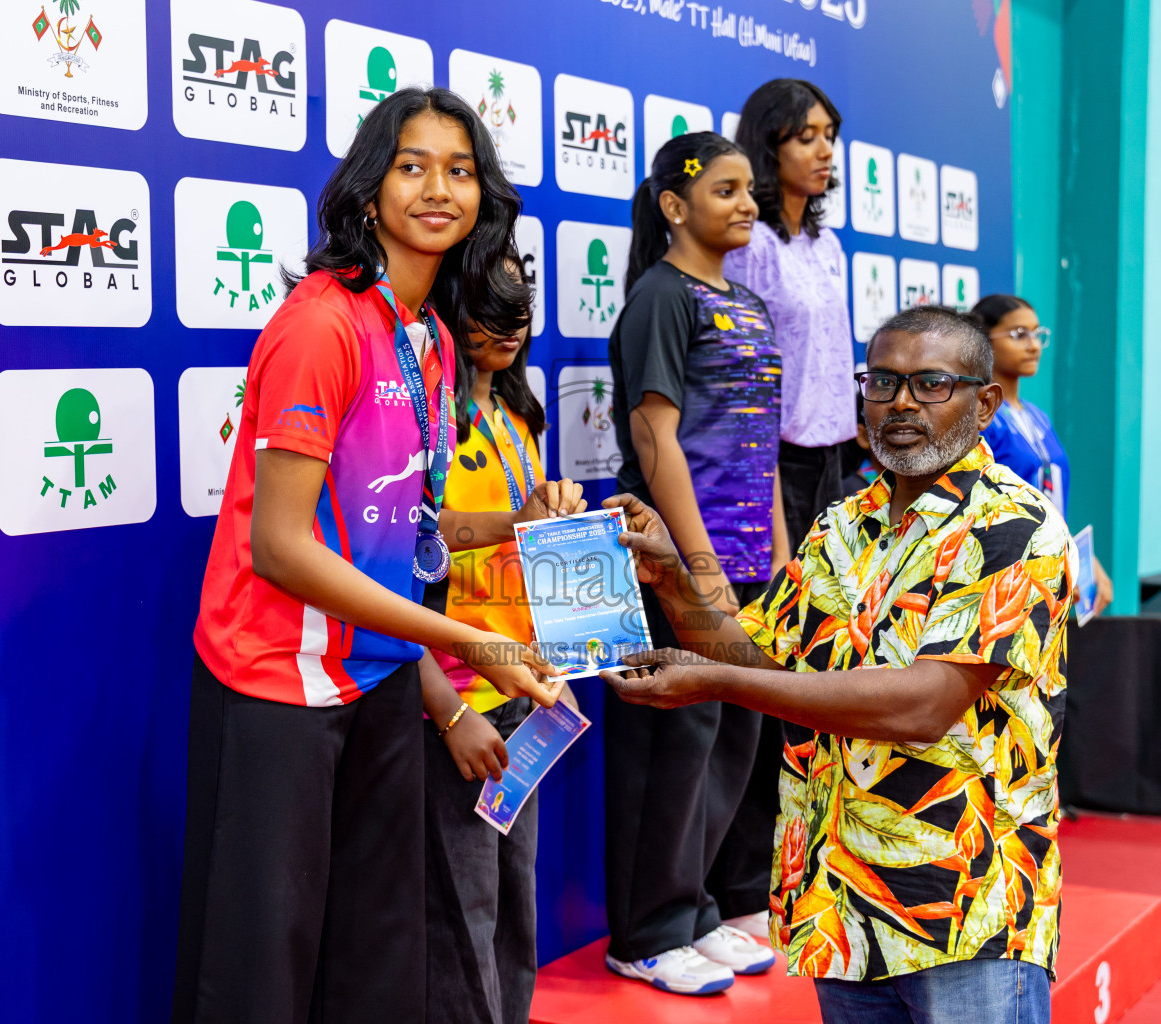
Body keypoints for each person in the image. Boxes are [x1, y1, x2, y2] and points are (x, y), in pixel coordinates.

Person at [174, 87, 564, 1024]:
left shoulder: (427, 336)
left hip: (379, 684)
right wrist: (471, 649)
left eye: (461, 170)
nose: (439, 188)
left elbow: (402, 538)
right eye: (413, 165)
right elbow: (282, 547)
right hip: (275, 688)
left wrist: (519, 527)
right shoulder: (322, 324)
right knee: (260, 974)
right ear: (369, 188)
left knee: (376, 965)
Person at [603, 306, 1073, 1024]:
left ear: (984, 404)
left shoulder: (1017, 525)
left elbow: (921, 705)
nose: (902, 402)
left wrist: (719, 683)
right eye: (882, 381)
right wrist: (673, 581)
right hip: (842, 907)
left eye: (930, 383)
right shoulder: (843, 523)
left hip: (965, 914)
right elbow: (759, 647)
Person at [602, 130, 785, 995]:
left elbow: (762, 446)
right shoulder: (660, 298)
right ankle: (646, 932)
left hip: (749, 561)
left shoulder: (746, 301)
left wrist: (779, 556)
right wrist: (696, 564)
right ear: (675, 206)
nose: (747, 203)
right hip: (673, 564)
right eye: (725, 189)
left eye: (749, 188)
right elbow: (653, 436)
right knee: (670, 745)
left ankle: (698, 910)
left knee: (728, 738)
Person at [420, 255, 584, 1024]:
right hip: (456, 695)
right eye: (492, 304)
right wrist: (517, 522)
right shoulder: (428, 415)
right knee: (464, 910)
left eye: (521, 304)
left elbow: (531, 549)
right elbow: (420, 534)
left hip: (527, 691)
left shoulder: (520, 413)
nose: (513, 323)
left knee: (516, 902)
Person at [719, 80, 854, 933]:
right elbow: (748, 383)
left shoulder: (828, 244)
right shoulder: (754, 247)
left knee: (819, 677)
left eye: (831, 135)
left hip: (836, 466)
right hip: (773, 473)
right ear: (768, 145)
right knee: (763, 680)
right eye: (806, 136)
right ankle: (736, 890)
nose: (824, 151)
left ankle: (788, 873)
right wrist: (769, 504)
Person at [972, 294, 1111, 615]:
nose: (1034, 345)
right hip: (1003, 577)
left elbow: (1050, 501)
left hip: (1050, 573)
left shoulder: (1037, 416)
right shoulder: (981, 419)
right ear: (981, 341)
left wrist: (1084, 559)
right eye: (1019, 335)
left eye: (1037, 334)